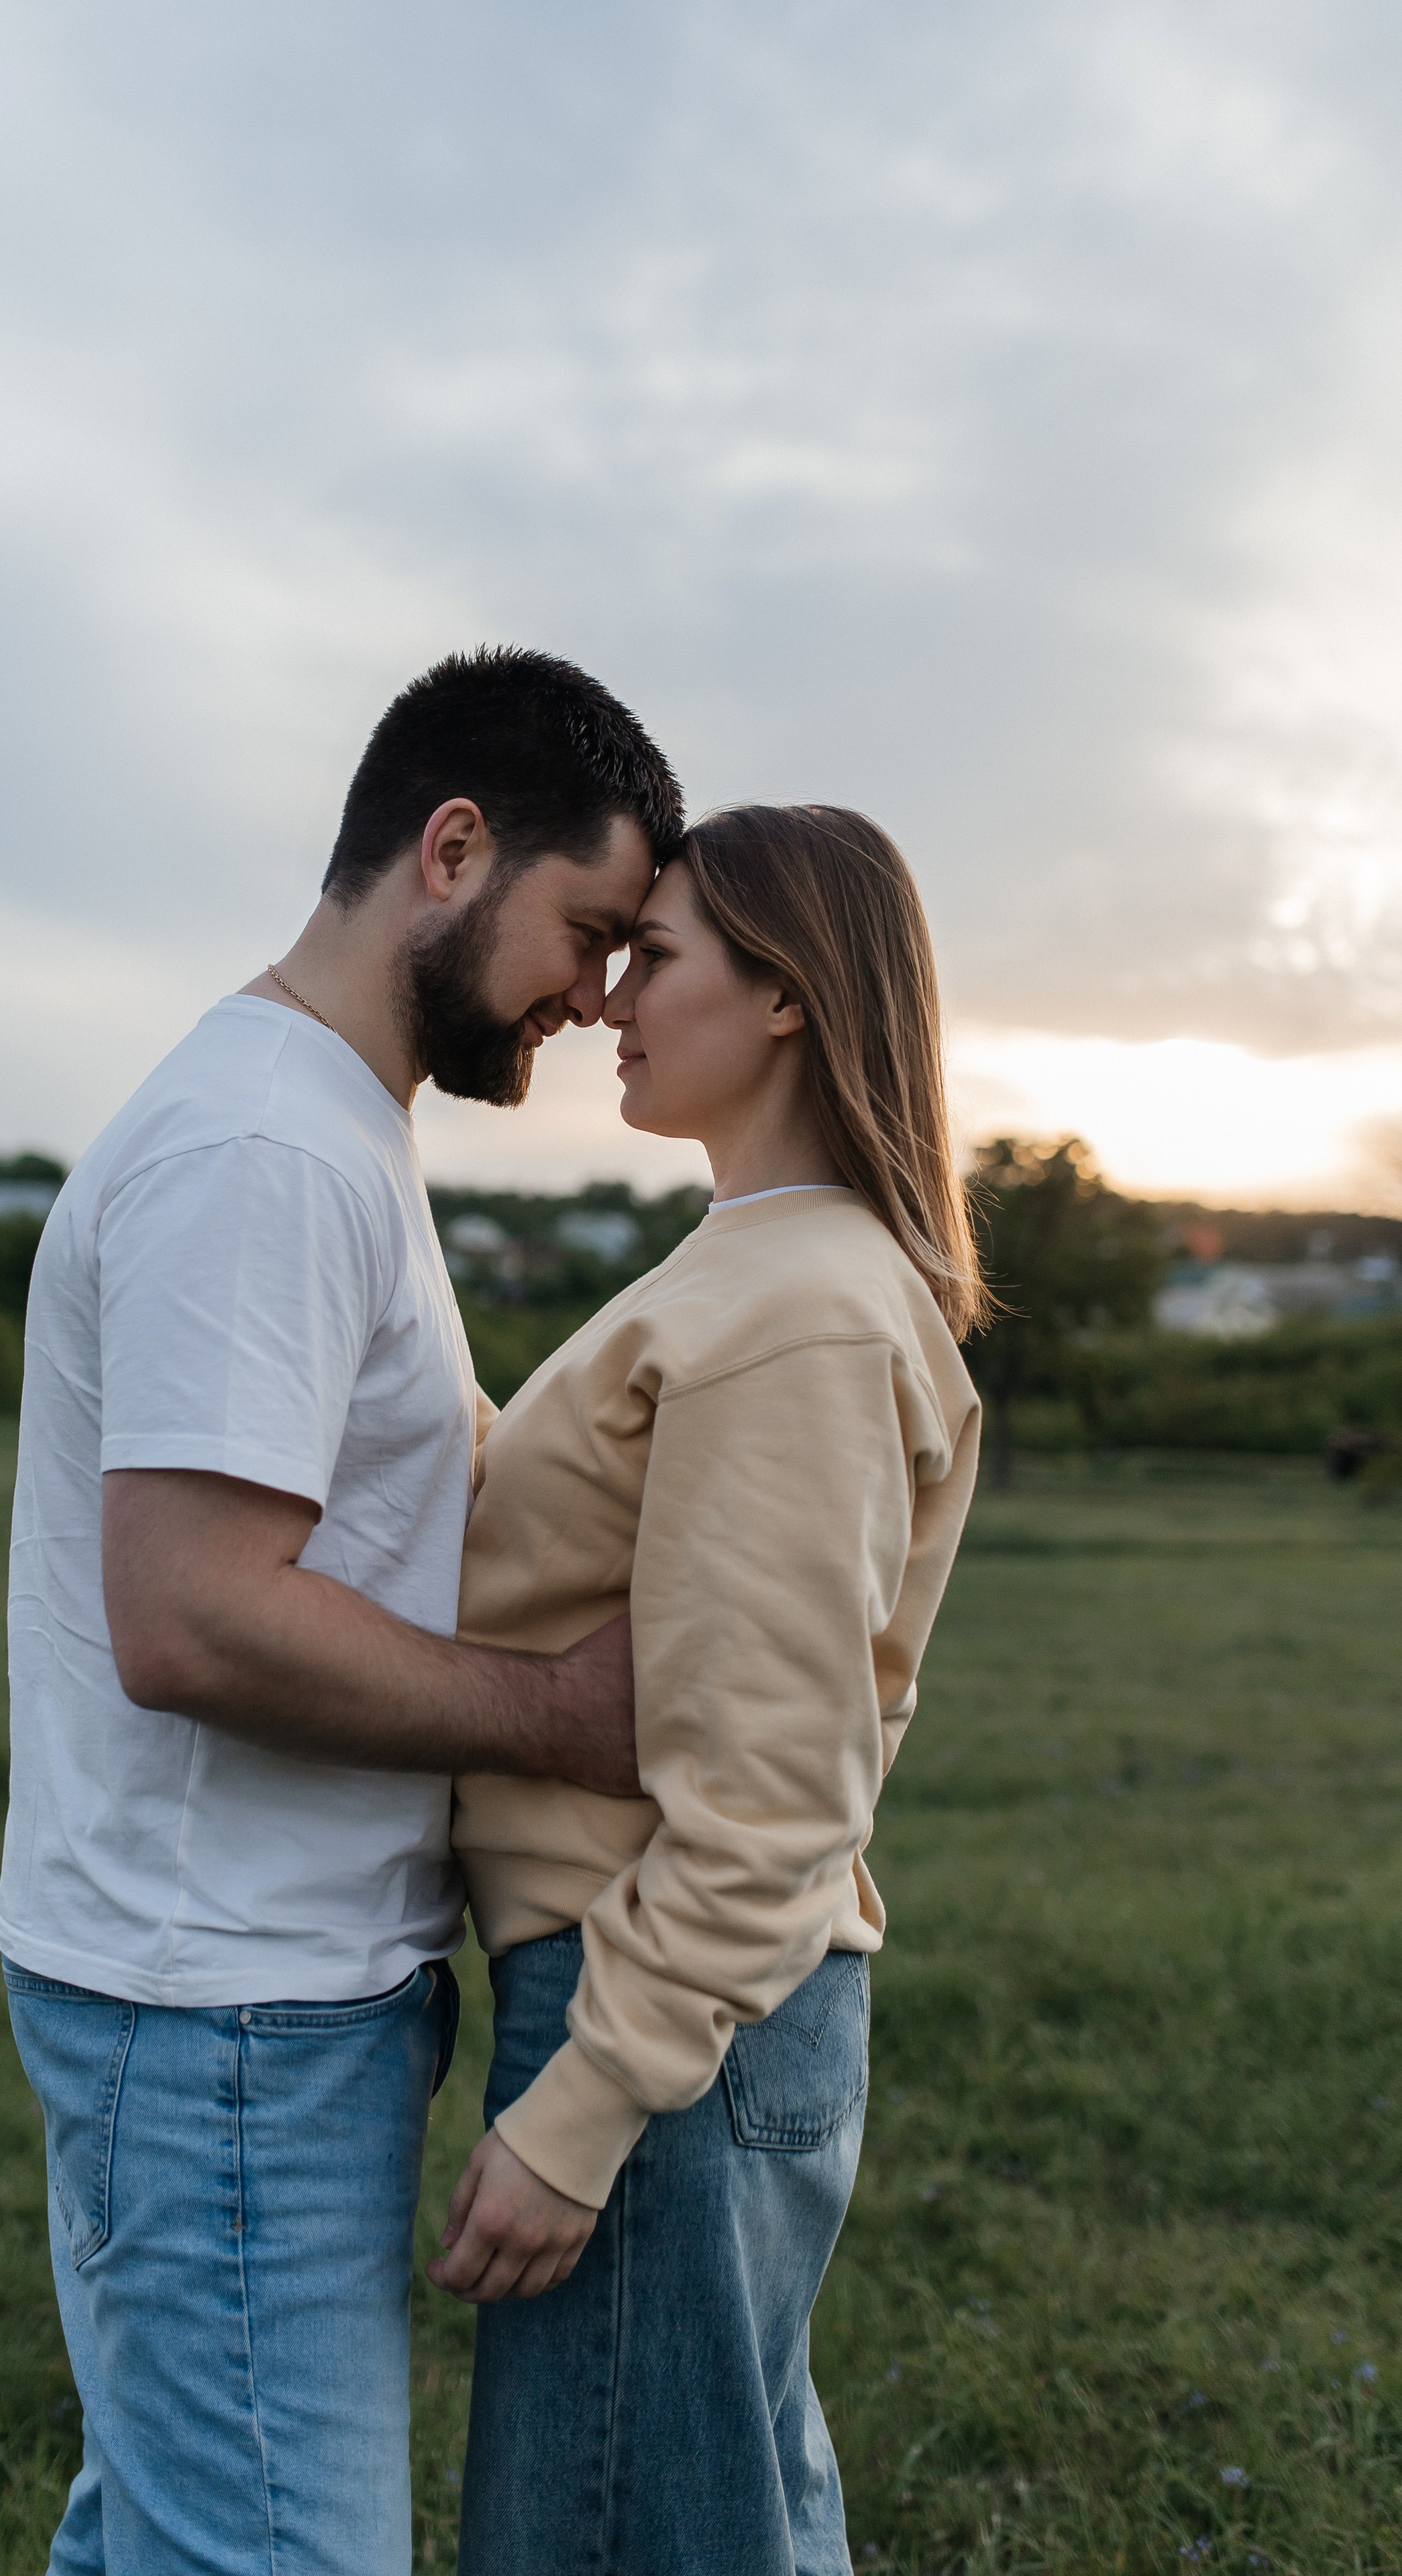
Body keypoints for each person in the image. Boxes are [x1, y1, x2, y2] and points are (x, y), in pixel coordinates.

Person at [0, 647, 683, 2576]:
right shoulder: (269, 1148)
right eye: (589, 931)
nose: (599, 995)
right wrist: (560, 1712)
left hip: (242, 1994)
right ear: (452, 850)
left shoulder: (329, 1121)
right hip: (219, 2008)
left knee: (165, 2530)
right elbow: (196, 1620)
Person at [431, 804, 987, 2574]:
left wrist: (587, 2109)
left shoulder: (795, 1306)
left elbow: (774, 1782)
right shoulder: (761, 1270)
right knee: (725, 2521)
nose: (608, 999)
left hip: (662, 2011)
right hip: (696, 2010)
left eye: (655, 957)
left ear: (788, 996)